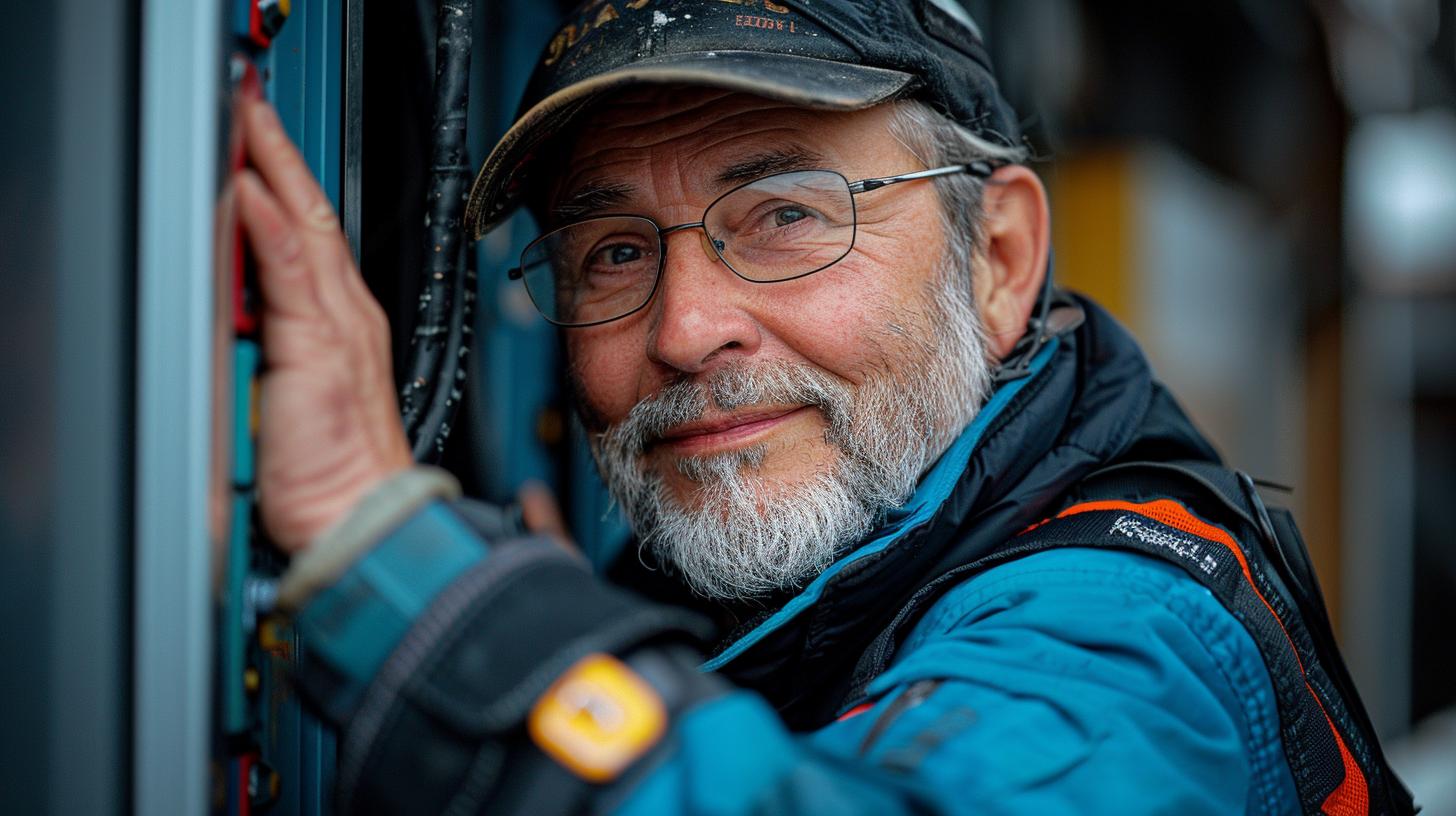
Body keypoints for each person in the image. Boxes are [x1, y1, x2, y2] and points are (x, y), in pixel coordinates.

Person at [234, 1, 1409, 812]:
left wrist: (413, 586)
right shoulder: (778, 597)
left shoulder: (1120, 633)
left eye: (789, 215)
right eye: (610, 253)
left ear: (996, 260)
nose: (686, 331)